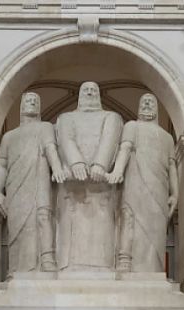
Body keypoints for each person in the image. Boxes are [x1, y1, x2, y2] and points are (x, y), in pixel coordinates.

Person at [0, 92, 67, 274]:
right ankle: (17, 267)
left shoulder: (45, 128)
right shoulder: (9, 137)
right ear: (21, 106)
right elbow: (2, 165)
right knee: (17, 224)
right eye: (28, 100)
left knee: (43, 215)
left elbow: (51, 149)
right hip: (15, 185)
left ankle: (47, 259)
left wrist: (57, 168)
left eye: (35, 100)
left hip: (39, 178)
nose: (32, 102)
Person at [54, 82, 123, 271]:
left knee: (101, 229)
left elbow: (110, 139)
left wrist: (100, 165)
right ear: (79, 95)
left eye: (94, 89)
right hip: (71, 183)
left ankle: (103, 266)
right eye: (86, 89)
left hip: (101, 184)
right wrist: (76, 163)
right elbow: (66, 139)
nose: (90, 92)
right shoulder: (66, 118)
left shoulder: (111, 117)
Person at [106, 93, 178, 272]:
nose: (147, 104)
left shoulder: (167, 137)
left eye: (151, 102)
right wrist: (117, 172)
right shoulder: (131, 127)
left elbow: (172, 165)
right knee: (130, 218)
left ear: (157, 107)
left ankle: (153, 269)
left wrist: (175, 193)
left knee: (156, 230)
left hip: (159, 187)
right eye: (143, 101)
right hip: (134, 182)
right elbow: (125, 149)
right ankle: (124, 261)